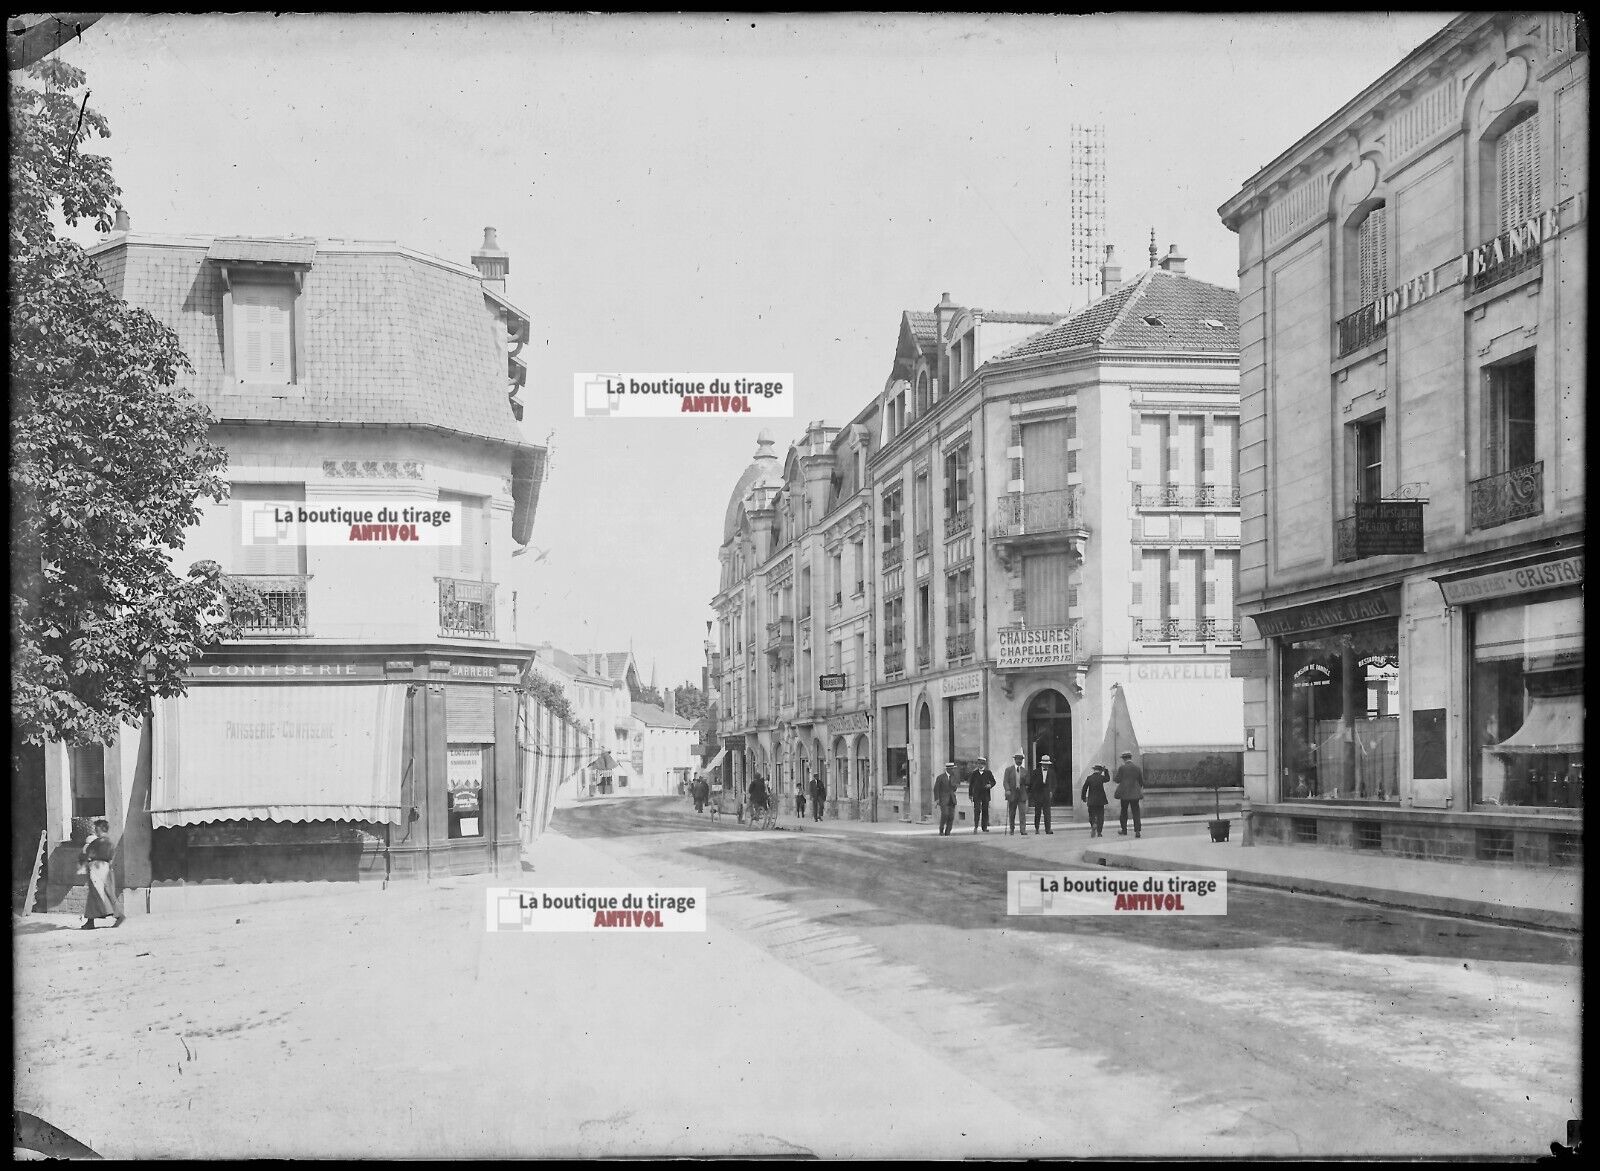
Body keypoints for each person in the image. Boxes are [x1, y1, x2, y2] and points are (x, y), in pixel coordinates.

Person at [79, 819, 124, 929]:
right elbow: (111, 858)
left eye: (96, 828)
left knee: (95, 894)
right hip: (106, 868)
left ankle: (92, 921)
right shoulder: (110, 843)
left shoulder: (97, 842)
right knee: (106, 893)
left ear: (100, 829)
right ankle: (116, 916)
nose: (95, 830)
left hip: (97, 868)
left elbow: (87, 853)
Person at [1113, 751, 1145, 838]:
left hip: (1124, 794)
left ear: (1124, 759)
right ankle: (1137, 831)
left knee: (1124, 812)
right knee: (1136, 812)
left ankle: (1124, 830)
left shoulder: (1122, 768)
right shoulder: (1137, 768)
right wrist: (1137, 788)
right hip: (1135, 794)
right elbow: (1141, 781)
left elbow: (1117, 780)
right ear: (1131, 758)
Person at [1080, 764, 1111, 838]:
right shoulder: (1101, 777)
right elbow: (1108, 779)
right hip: (1100, 800)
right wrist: (1106, 771)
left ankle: (1093, 824)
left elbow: (1084, 788)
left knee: (1091, 815)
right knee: (1100, 816)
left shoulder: (1089, 778)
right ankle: (1099, 832)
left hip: (1091, 800)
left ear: (1094, 770)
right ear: (1100, 771)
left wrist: (1084, 798)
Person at [967, 756, 996, 833]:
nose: (980, 765)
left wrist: (990, 785)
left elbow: (993, 781)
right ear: (977, 764)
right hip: (976, 794)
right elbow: (971, 784)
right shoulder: (974, 773)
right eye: (979, 764)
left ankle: (984, 827)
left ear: (985, 765)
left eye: (982, 764)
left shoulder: (988, 772)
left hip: (985, 794)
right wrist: (970, 795)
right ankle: (976, 826)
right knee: (977, 810)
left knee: (985, 811)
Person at [1003, 752, 1029, 835]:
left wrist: (1026, 784)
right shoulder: (1009, 770)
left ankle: (1023, 830)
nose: (1019, 761)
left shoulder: (1025, 771)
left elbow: (1028, 783)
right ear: (1015, 760)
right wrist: (1007, 790)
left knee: (1022, 813)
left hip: (1021, 794)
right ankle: (1012, 829)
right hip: (1012, 794)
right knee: (1012, 813)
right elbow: (1005, 781)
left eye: (1020, 759)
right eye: (1017, 759)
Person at [1030, 756, 1055, 834]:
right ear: (1041, 764)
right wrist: (1034, 794)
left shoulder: (1051, 772)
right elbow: (1032, 784)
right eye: (1044, 764)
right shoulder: (1035, 772)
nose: (1045, 765)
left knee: (1047, 813)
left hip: (1047, 795)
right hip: (1038, 795)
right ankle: (1037, 828)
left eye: (1047, 764)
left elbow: (1054, 784)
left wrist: (1052, 791)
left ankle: (1048, 829)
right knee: (1037, 813)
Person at [933, 762, 960, 836]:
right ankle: (941, 829)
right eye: (952, 769)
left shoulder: (954, 777)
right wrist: (937, 799)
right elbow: (936, 789)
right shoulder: (940, 777)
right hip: (943, 799)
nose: (953, 770)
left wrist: (954, 784)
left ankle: (948, 831)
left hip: (952, 799)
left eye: (953, 769)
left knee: (951, 816)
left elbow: (955, 788)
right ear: (948, 769)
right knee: (945, 814)